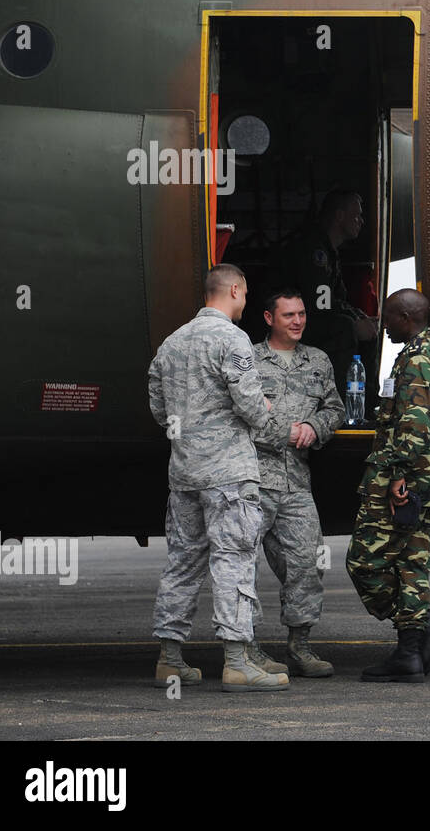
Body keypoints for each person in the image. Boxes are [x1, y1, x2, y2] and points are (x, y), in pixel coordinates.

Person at [147, 263, 289, 693]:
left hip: (185, 471)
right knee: (233, 560)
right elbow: (248, 404)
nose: (244, 303)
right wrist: (265, 411)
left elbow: (158, 407)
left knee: (183, 562)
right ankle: (236, 662)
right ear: (234, 289)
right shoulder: (233, 339)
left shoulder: (171, 343)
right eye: (244, 295)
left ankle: (169, 661)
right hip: (228, 472)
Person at [346, 289, 430, 682]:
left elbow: (414, 426)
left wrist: (397, 474)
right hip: (425, 481)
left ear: (405, 318)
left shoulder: (416, 359)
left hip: (406, 479)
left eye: (388, 318)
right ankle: (410, 649)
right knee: (412, 566)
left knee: (364, 560)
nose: (383, 324)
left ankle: (413, 632)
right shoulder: (428, 353)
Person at [248, 289, 345, 677]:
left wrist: (312, 427)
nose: (298, 321)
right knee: (241, 568)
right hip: (252, 480)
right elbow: (238, 413)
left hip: (296, 483)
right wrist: (282, 433)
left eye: (302, 314)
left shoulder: (318, 361)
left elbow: (335, 408)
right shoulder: (248, 360)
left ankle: (300, 646)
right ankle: (246, 647)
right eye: (288, 315)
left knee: (308, 561)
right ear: (269, 319)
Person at [266, 189, 379, 397]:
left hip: (313, 317)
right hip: (297, 321)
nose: (361, 221)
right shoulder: (314, 251)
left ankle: (368, 399)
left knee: (365, 324)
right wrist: (354, 324)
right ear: (339, 216)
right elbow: (321, 304)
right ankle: (341, 400)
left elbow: (335, 299)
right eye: (356, 215)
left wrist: (360, 317)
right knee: (344, 328)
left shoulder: (329, 251)